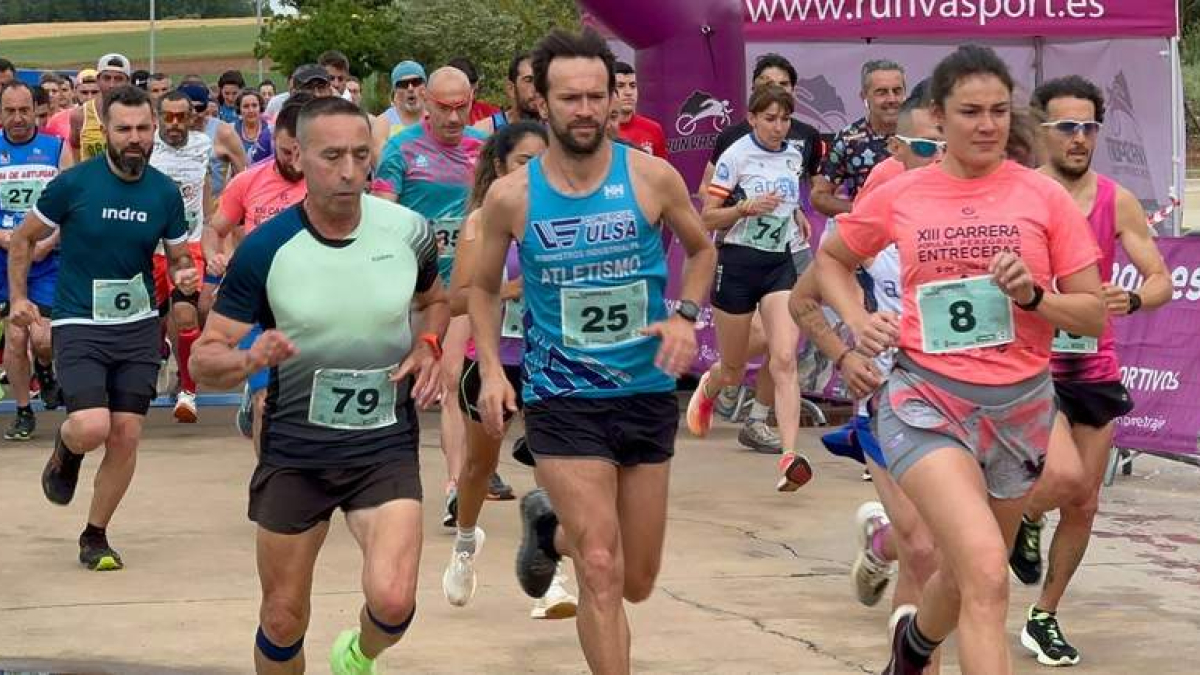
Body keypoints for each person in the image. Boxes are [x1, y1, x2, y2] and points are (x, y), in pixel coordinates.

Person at [815, 44, 1107, 674]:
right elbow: (832, 259)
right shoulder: (904, 192)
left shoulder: (1043, 197)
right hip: (927, 400)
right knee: (985, 572)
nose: (987, 125)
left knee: (969, 574)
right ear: (938, 120)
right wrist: (860, 321)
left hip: (1020, 410)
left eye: (999, 111)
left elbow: (1091, 312)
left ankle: (914, 646)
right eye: (970, 111)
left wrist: (1033, 294)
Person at [473, 28, 716, 674]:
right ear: (541, 104)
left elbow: (702, 250)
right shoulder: (513, 196)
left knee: (636, 576)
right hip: (561, 399)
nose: (583, 109)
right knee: (602, 568)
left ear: (613, 100)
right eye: (568, 97)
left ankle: (548, 528)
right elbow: (483, 288)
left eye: (595, 96)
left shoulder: (651, 176)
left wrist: (687, 316)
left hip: (644, 391)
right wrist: (493, 368)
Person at [190, 95, 447, 675]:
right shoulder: (266, 248)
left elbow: (435, 300)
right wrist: (249, 357)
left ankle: (358, 654)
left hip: (382, 444)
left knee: (393, 601)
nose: (350, 171)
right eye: (332, 156)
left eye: (361, 155)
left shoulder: (408, 231)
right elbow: (205, 358)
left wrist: (428, 344)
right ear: (298, 158)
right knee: (283, 616)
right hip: (296, 449)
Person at [1007, 75, 1172, 668]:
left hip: (1094, 364)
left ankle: (1043, 616)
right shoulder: (1022, 193)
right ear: (1042, 131)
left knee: (1084, 504)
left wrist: (1135, 299)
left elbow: (1159, 279)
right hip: (1030, 364)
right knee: (1069, 477)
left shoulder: (1115, 199)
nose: (1080, 139)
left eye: (1089, 128)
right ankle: (1020, 513)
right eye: (1067, 128)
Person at [9, 85, 198, 571]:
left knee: (126, 434)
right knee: (92, 425)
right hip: (79, 320)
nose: (134, 139)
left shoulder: (163, 192)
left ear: (154, 130)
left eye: (143, 129)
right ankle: (66, 451)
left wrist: (184, 280)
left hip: (136, 325)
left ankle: (95, 534)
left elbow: (178, 258)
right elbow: (25, 239)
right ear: (106, 133)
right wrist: (22, 298)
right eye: (124, 130)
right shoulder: (74, 185)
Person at [791, 95, 945, 662]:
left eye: (948, 146)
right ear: (900, 148)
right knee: (924, 547)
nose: (939, 160)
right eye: (927, 147)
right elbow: (804, 301)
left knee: (951, 554)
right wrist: (845, 352)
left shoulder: (993, 207)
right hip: (888, 397)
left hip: (971, 402)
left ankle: (881, 542)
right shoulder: (883, 206)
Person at [441, 121, 578, 618]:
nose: (536, 172)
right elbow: (457, 299)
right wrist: (515, 291)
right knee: (480, 466)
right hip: (495, 362)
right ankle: (463, 544)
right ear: (500, 167)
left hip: (552, 363)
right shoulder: (482, 222)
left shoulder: (566, 217)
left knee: (551, 466)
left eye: (544, 161)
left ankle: (553, 581)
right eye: (524, 162)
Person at [377, 66, 511, 525]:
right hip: (416, 291)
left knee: (453, 380)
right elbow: (383, 214)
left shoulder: (484, 150)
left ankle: (455, 487)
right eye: (444, 108)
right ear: (425, 103)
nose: (454, 118)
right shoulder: (400, 148)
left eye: (463, 107)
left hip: (464, 289)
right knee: (402, 387)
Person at [687, 83, 814, 492]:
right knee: (735, 367)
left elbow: (787, 197)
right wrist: (743, 208)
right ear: (753, 118)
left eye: (785, 119)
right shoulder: (736, 155)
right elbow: (706, 218)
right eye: (770, 119)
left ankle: (790, 458)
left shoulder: (794, 155)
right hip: (738, 264)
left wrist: (795, 215)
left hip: (780, 264)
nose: (779, 127)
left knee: (784, 359)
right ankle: (712, 382)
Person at [204, 94, 310, 450]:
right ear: (273, 141)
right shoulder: (249, 181)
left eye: (301, 152)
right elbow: (214, 227)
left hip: (311, 304)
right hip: (258, 302)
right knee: (269, 401)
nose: (294, 161)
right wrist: (213, 256)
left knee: (304, 402)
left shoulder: (326, 184)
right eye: (285, 151)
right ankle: (269, 482)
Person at [1, 81, 72, 441]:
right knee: (15, 338)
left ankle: (46, 372)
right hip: (4, 261)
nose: (17, 118)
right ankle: (23, 410)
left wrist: (48, 240)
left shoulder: (56, 148)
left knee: (42, 339)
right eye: (9, 111)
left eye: (24, 110)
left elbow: (71, 205)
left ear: (35, 110)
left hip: (46, 259)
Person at [149, 90, 214, 423]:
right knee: (148, 323)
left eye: (181, 117)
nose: (174, 124)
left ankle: (189, 392)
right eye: (168, 117)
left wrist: (214, 230)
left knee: (187, 314)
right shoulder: (145, 146)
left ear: (192, 117)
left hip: (188, 246)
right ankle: (148, 372)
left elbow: (212, 185)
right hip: (150, 248)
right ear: (158, 117)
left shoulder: (205, 144)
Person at [811, 59, 906, 217]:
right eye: (881, 92)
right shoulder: (849, 139)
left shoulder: (922, 134)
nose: (891, 99)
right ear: (864, 97)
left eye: (897, 91)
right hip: (870, 235)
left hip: (918, 234)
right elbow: (819, 196)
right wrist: (860, 211)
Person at [180, 83, 248, 205]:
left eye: (200, 108)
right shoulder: (171, 133)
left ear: (207, 107)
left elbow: (244, 175)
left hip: (215, 210)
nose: (195, 113)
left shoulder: (224, 132)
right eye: (190, 109)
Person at [70, 53, 131, 162]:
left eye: (118, 79)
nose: (112, 84)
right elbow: (75, 147)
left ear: (127, 82)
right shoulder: (80, 115)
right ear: (98, 80)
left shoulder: (137, 113)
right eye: (107, 78)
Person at [472, 52, 542, 135]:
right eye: (529, 80)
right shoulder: (483, 132)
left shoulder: (556, 130)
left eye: (541, 79)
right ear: (511, 88)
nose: (537, 87)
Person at [612, 61, 667, 159]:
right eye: (620, 86)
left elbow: (662, 171)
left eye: (633, 86)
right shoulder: (603, 131)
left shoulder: (654, 129)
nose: (628, 92)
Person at [371, 61, 426, 155]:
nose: (410, 88)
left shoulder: (436, 118)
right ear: (395, 91)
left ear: (425, 86)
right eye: (403, 84)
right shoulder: (383, 124)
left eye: (416, 82)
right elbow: (382, 164)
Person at [264, 64, 334, 121]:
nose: (317, 94)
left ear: (330, 91)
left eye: (321, 87)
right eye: (309, 88)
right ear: (294, 92)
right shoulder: (284, 123)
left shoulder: (339, 119)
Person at [447, 56, 501, 124]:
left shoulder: (493, 114)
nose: (471, 98)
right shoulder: (436, 115)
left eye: (474, 92)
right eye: (465, 93)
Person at [235, 89, 274, 164]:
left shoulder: (271, 130)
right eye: (246, 106)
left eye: (254, 105)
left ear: (260, 107)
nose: (251, 110)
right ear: (239, 109)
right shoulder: (231, 130)